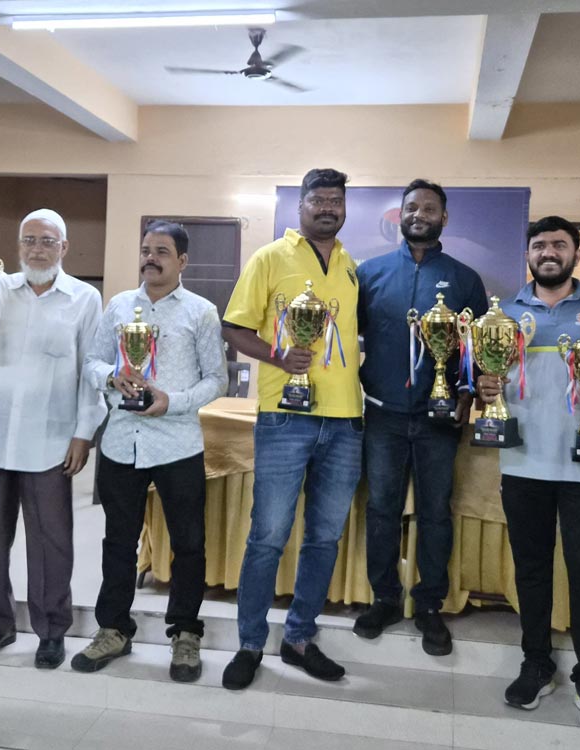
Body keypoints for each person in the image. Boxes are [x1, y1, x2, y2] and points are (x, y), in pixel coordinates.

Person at [476, 215, 580, 732]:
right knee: (531, 566)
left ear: (575, 253)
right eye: (540, 245)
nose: (549, 252)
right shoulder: (503, 313)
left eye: (559, 245)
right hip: (521, 458)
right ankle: (537, 662)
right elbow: (484, 373)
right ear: (528, 255)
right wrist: (484, 389)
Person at [220, 168, 362, 690]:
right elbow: (234, 326)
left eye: (336, 200)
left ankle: (300, 638)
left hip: (346, 420)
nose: (328, 207)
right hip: (285, 417)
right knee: (268, 536)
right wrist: (279, 353)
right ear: (300, 205)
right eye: (319, 199)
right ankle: (250, 644)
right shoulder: (269, 258)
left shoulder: (350, 266)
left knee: (325, 538)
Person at [75, 220, 227, 682]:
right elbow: (93, 361)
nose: (150, 258)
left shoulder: (200, 312)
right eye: (145, 249)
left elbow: (216, 378)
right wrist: (110, 377)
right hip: (122, 442)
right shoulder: (119, 306)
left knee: (188, 543)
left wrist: (171, 402)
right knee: (118, 542)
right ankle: (114, 629)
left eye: (162, 251)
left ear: (182, 261)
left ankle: (185, 633)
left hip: (178, 442)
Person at [0, 208, 106, 670]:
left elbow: (90, 370)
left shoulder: (83, 299)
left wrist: (84, 433)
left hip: (49, 439)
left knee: (51, 542)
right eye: (29, 240)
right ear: (18, 245)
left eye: (47, 241)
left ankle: (51, 631)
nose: (37, 249)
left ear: (63, 248)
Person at [352, 179, 487, 655]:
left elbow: (475, 351)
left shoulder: (465, 279)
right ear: (400, 215)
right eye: (411, 207)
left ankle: (429, 605)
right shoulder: (368, 274)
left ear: (444, 217)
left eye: (429, 208)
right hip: (383, 415)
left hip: (439, 418)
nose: (419, 213)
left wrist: (469, 393)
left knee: (435, 513)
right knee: (383, 509)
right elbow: (348, 341)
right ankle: (384, 598)